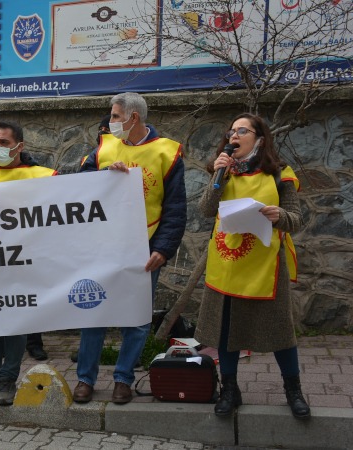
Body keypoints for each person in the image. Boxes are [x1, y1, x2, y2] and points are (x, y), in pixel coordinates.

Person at [195, 113, 309, 419]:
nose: (234, 136)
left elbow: (296, 219)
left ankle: (293, 390)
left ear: (259, 138)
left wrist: (279, 216)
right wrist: (219, 176)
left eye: (242, 130)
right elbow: (205, 210)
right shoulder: (223, 171)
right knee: (226, 331)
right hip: (227, 264)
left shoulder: (280, 174)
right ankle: (230, 390)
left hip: (265, 266)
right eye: (231, 131)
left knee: (280, 332)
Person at [74, 92, 186, 405]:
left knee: (136, 319)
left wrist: (163, 249)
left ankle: (123, 378)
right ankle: (85, 379)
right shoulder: (104, 147)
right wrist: (103, 176)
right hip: (103, 245)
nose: (110, 122)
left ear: (132, 117)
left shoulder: (167, 152)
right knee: (93, 312)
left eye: (114, 116)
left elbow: (176, 207)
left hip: (145, 247)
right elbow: (78, 185)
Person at [0, 121, 57, 406]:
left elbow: (75, 196)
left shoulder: (41, 176)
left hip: (24, 264)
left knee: (17, 324)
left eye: (4, 143)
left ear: (19, 146)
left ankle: (8, 379)